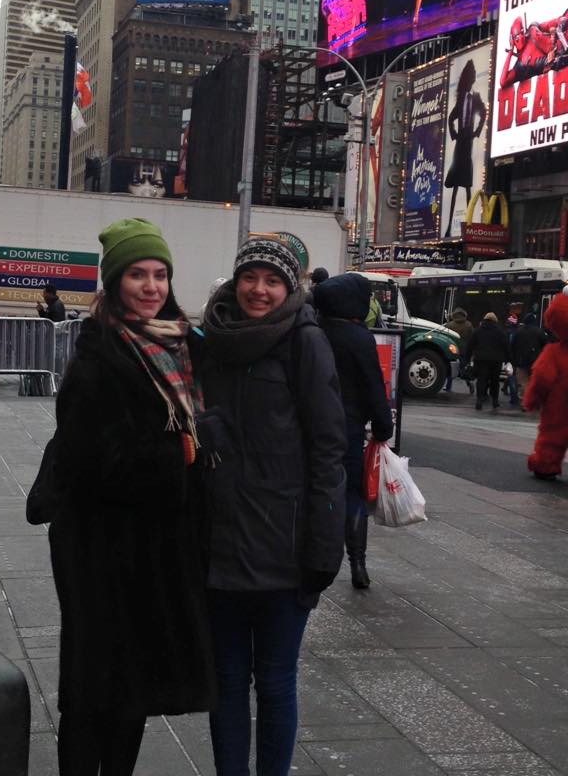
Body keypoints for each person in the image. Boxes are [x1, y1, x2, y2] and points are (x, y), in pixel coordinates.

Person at [48, 217, 215, 776]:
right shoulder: (98, 357)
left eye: (160, 274)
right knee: (92, 689)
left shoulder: (180, 346)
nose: (151, 287)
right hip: (99, 552)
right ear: (115, 281)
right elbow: (92, 463)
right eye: (137, 274)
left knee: (135, 688)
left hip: (155, 549)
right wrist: (185, 450)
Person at [199, 236, 346, 776]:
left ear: (291, 288)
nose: (258, 290)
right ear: (235, 280)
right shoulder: (212, 338)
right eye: (250, 277)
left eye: (272, 280)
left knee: (276, 680)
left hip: (284, 546)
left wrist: (324, 544)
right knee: (227, 681)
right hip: (220, 542)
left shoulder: (305, 341)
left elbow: (329, 448)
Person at [314, 274, 394, 590]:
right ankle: (357, 563)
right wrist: (383, 427)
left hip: (313, 425)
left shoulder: (313, 330)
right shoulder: (360, 337)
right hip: (348, 428)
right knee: (352, 492)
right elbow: (373, 386)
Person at [523, 288, 568, 480]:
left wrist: (532, 400)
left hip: (558, 405)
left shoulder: (553, 353)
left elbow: (541, 378)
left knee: (552, 436)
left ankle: (546, 464)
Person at [443, 58, 487, 237]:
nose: (474, 78)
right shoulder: (461, 99)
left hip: (468, 140)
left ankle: (470, 225)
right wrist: (454, 134)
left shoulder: (475, 97)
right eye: (473, 75)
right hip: (461, 140)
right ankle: (448, 227)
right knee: (455, 184)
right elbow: (451, 118)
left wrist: (477, 131)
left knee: (467, 183)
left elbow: (484, 113)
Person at [466, 311, 509, 412]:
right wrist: (508, 359)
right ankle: (495, 401)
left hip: (481, 360)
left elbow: (470, 345)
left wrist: (467, 359)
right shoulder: (500, 332)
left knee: (481, 380)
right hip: (496, 360)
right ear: (495, 321)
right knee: (495, 381)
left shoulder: (478, 331)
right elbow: (506, 346)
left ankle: (479, 401)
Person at [511, 312, 547, 402]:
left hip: (521, 361)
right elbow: (546, 346)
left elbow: (512, 347)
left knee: (523, 383)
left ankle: (524, 401)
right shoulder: (539, 332)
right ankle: (534, 400)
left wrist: (513, 361)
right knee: (534, 382)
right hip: (536, 361)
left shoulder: (518, 332)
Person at [445, 307, 474, 392]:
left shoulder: (450, 324)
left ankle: (448, 387)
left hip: (452, 348)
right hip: (464, 349)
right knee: (463, 368)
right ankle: (469, 382)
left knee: (451, 367)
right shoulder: (469, 325)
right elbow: (472, 338)